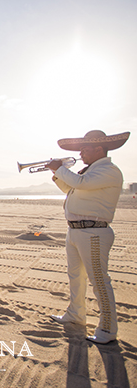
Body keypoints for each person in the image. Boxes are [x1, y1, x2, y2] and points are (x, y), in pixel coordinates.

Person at [47, 129, 129, 344]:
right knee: (75, 276)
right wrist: (57, 173)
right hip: (75, 230)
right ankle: (76, 313)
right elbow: (71, 187)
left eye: (85, 148)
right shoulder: (89, 171)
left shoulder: (109, 170)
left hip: (93, 231)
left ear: (99, 149)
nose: (81, 152)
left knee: (99, 281)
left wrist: (60, 168)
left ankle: (108, 329)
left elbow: (80, 184)